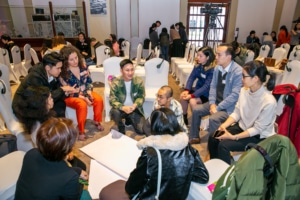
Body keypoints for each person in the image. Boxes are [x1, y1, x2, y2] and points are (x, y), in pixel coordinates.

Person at [100, 108, 209, 200]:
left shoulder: (149, 153)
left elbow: (131, 187)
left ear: (155, 126)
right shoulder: (189, 149)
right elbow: (203, 177)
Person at [208, 60, 277, 164]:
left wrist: (234, 137)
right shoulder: (244, 91)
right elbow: (237, 113)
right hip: (243, 127)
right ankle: (216, 166)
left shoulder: (269, 101)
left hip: (259, 136)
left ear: (255, 79)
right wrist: (224, 126)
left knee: (224, 145)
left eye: (244, 76)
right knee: (213, 137)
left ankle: (226, 176)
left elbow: (257, 129)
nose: (241, 79)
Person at [14, 118, 88, 200]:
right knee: (86, 195)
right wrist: (79, 184)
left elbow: (50, 171)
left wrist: (77, 171)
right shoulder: (70, 179)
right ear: (68, 149)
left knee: (80, 166)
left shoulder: (31, 153)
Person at [189, 43, 243, 144]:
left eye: (219, 55)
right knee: (196, 110)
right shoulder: (218, 68)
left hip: (229, 108)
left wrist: (217, 108)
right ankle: (194, 137)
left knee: (214, 118)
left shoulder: (238, 72)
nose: (216, 57)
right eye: (216, 54)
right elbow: (212, 87)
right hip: (216, 103)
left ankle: (213, 145)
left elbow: (235, 96)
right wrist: (213, 103)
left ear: (228, 57)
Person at [59, 46, 104, 141]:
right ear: (65, 61)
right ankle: (81, 130)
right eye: (71, 59)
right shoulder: (63, 72)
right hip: (70, 96)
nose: (75, 61)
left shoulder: (83, 66)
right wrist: (83, 97)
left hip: (84, 91)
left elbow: (89, 81)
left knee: (99, 100)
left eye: (76, 58)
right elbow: (66, 91)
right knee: (82, 104)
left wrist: (88, 92)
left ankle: (96, 121)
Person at [12, 52, 75, 118]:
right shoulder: (35, 77)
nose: (60, 71)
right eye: (58, 68)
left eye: (61, 68)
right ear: (48, 67)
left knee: (60, 104)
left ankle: (60, 126)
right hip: (24, 107)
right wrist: (62, 89)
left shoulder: (51, 73)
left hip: (38, 103)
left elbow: (54, 92)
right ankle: (55, 127)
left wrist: (66, 93)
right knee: (52, 112)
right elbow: (44, 99)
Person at [180, 46, 215, 125]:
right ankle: (184, 117)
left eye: (200, 56)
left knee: (192, 101)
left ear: (207, 57)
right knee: (183, 96)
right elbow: (191, 77)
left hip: (207, 94)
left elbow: (206, 87)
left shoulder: (212, 70)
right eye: (197, 55)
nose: (198, 58)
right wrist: (187, 90)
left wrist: (192, 95)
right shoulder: (198, 66)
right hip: (198, 90)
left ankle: (197, 123)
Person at [109, 59, 146, 135]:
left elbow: (141, 96)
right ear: (121, 70)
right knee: (114, 112)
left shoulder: (139, 81)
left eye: (132, 70)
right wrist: (122, 107)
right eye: (127, 70)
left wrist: (135, 105)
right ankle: (121, 127)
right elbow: (112, 100)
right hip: (121, 109)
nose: (130, 73)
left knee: (142, 131)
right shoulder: (116, 83)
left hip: (134, 109)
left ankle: (129, 118)